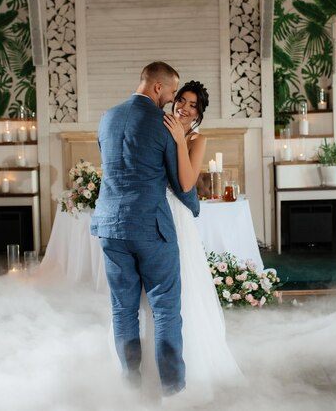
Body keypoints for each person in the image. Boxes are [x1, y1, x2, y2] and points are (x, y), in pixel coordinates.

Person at [90, 61, 199, 397]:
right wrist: (194, 208)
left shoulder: (107, 117)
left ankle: (131, 387)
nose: (172, 100)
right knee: (165, 307)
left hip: (109, 226)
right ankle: (172, 389)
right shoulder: (164, 123)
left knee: (123, 310)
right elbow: (181, 183)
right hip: (150, 228)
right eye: (170, 91)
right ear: (157, 87)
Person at [162, 81, 243, 399]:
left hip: (177, 213)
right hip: (153, 210)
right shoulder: (160, 125)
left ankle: (191, 362)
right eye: (181, 100)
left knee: (183, 282)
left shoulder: (197, 138)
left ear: (199, 112)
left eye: (192, 104)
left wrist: (179, 139)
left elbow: (186, 182)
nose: (183, 107)